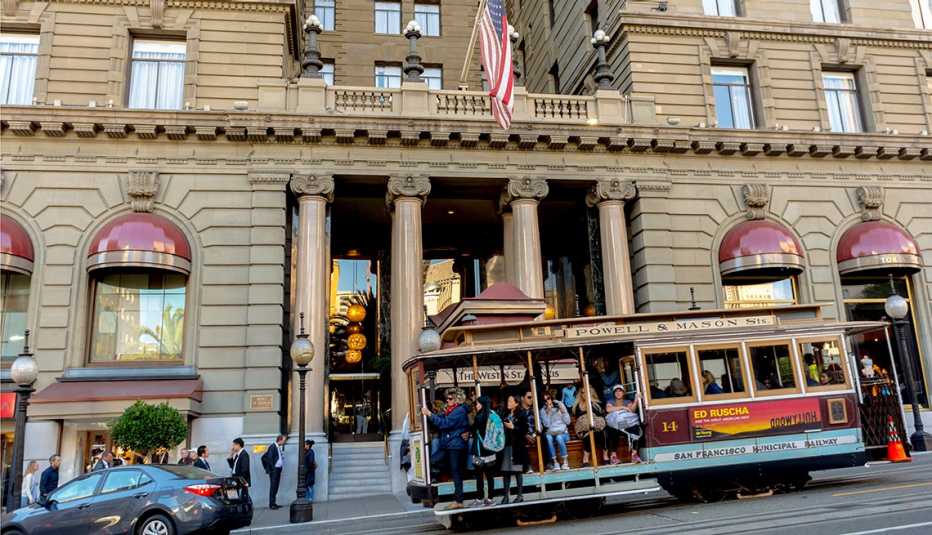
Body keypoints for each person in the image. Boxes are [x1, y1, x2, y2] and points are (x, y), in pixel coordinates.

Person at [420, 387, 469, 510]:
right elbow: (440, 420)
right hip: (448, 444)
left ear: (457, 400)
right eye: (447, 398)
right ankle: (443, 484)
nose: (448, 400)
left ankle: (459, 500)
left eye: (450, 398)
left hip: (455, 445)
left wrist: (430, 414)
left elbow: (444, 423)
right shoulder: (450, 410)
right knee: (434, 461)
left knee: (455, 471)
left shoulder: (460, 411)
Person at [500, 393, 532, 504]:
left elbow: (524, 430)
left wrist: (513, 427)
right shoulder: (505, 413)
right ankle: (506, 496)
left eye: (510, 401)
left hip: (517, 446)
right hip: (507, 445)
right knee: (505, 472)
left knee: (517, 471)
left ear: (516, 403)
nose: (508, 403)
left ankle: (520, 495)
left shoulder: (522, 414)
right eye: (507, 401)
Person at [469, 395, 498, 507]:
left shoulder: (478, 417)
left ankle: (480, 498)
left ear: (481, 404)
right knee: (490, 476)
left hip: (479, 451)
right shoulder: (492, 416)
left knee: (479, 475)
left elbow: (473, 429)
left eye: (477, 403)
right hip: (490, 450)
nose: (476, 406)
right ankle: (490, 499)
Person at [606, 386, 642, 464]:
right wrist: (623, 408)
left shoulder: (627, 401)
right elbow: (608, 409)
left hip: (626, 424)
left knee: (635, 428)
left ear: (623, 393)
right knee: (612, 430)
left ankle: (634, 455)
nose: (618, 393)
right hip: (615, 425)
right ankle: (613, 457)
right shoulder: (611, 401)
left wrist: (636, 400)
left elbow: (632, 410)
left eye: (620, 391)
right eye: (616, 391)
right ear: (614, 393)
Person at [573, 387, 608, 466]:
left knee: (602, 433)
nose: (584, 394)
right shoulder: (578, 405)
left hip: (597, 426)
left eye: (586, 392)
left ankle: (605, 456)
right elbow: (579, 418)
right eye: (582, 392)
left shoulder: (597, 404)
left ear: (591, 393)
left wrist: (591, 405)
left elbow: (600, 417)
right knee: (589, 434)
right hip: (583, 428)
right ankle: (585, 459)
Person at [540, 390, 570, 471]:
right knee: (548, 437)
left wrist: (563, 411)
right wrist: (548, 412)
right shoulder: (543, 410)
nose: (547, 401)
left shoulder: (559, 404)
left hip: (563, 433)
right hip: (551, 433)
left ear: (551, 398)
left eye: (548, 398)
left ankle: (565, 462)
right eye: (545, 400)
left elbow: (568, 422)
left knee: (559, 438)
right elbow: (547, 425)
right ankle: (555, 462)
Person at [261, 434, 286, 509]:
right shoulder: (273, 446)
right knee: (273, 487)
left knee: (275, 486)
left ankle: (274, 503)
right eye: (284, 440)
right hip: (274, 470)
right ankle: (272, 504)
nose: (284, 442)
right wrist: (272, 469)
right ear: (280, 440)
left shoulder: (277, 447)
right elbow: (269, 458)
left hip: (277, 470)